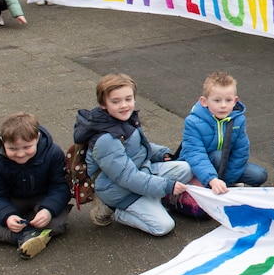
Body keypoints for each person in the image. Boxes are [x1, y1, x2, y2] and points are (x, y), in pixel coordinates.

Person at [73, 73, 193, 235]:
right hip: (120, 191)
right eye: (116, 101)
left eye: (128, 99)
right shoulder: (106, 140)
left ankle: (152, 198)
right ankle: (115, 211)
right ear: (103, 104)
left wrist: (161, 154)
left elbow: (138, 147)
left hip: (140, 171)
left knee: (185, 168)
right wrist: (166, 186)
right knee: (163, 226)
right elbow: (128, 178)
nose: (124, 105)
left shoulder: (124, 119)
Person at [0, 113, 70, 260]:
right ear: (3, 142)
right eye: (13, 149)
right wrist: (7, 216)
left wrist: (48, 210)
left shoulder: (53, 153)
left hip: (43, 198)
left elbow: (61, 187)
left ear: (37, 138)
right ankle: (24, 237)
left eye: (27, 147)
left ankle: (31, 230)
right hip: (13, 200)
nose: (20, 154)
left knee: (57, 222)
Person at [178, 71, 268, 194]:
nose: (223, 106)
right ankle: (206, 183)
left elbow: (241, 151)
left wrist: (227, 180)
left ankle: (224, 184)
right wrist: (211, 179)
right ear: (204, 101)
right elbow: (195, 155)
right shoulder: (193, 122)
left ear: (235, 101)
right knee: (218, 156)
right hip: (199, 166)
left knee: (260, 175)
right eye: (217, 100)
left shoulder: (238, 120)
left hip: (225, 164)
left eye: (228, 100)